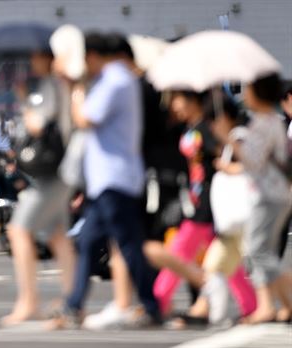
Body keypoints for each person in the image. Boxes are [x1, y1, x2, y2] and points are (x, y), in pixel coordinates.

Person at [50, 31, 161, 329]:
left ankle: (151, 305)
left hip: (115, 178)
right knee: (89, 242)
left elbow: (85, 118)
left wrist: (75, 90)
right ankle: (74, 305)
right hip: (108, 180)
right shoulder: (116, 80)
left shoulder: (115, 81)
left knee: (127, 245)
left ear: (95, 56)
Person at [151, 90, 256, 320]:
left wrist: (220, 143)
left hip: (209, 199)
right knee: (226, 260)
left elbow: (223, 155)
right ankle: (250, 304)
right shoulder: (191, 126)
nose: (175, 106)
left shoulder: (207, 127)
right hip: (197, 197)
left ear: (193, 100)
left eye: (178, 100)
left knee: (181, 250)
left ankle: (159, 299)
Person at [1, 49, 76, 327]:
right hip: (62, 170)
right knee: (58, 237)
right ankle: (72, 299)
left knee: (18, 229)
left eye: (35, 56)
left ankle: (28, 301)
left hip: (52, 173)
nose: (31, 62)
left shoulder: (51, 85)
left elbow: (37, 125)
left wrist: (23, 100)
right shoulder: (62, 85)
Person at [215, 73, 292, 324]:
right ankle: (273, 305)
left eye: (249, 90)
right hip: (273, 194)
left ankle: (279, 303)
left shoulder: (263, 123)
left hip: (268, 195)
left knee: (259, 250)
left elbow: (254, 162)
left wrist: (228, 138)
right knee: (262, 249)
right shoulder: (272, 121)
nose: (245, 94)